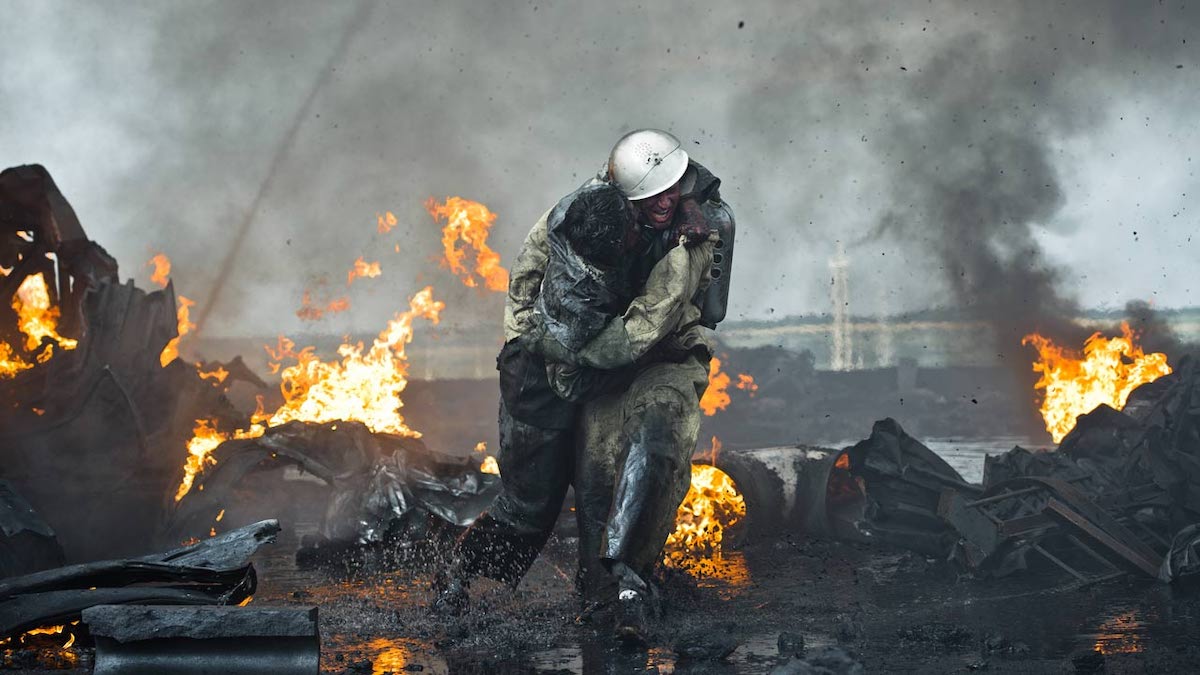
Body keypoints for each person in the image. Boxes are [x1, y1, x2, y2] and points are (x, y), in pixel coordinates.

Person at [437, 130, 734, 643]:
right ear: (625, 197)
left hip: (648, 353)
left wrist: (578, 355)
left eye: (673, 188)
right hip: (545, 361)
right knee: (530, 504)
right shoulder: (576, 220)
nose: (666, 199)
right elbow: (527, 277)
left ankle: (619, 599)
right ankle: (457, 574)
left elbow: (643, 327)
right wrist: (532, 341)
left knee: (624, 469)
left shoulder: (692, 237)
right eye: (654, 194)